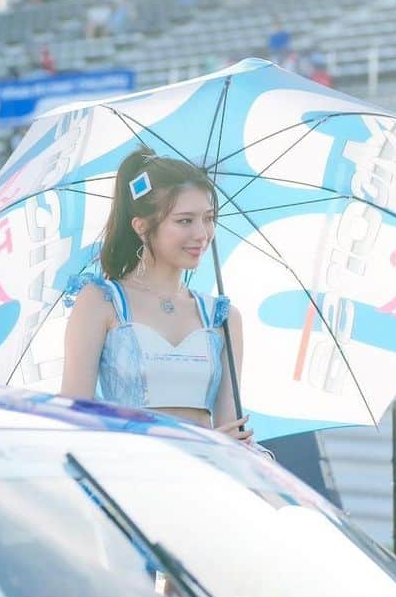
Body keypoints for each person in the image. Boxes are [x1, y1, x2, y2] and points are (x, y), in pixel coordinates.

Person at [61, 147, 254, 446]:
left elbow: (232, 428)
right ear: (142, 226)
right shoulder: (102, 302)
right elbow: (74, 419)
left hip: (208, 478)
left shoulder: (222, 317)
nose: (202, 233)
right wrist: (192, 444)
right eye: (185, 221)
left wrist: (226, 445)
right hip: (132, 479)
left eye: (208, 218)